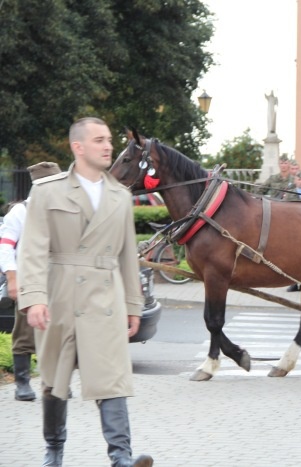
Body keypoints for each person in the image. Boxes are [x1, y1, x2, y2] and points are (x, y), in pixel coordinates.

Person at [18, 117, 153, 467]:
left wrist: (133, 305)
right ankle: (54, 450)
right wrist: (34, 298)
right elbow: (31, 249)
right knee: (54, 381)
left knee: (112, 379)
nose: (108, 146)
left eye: (108, 139)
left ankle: (121, 457)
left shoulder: (120, 197)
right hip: (59, 296)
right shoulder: (48, 191)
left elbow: (127, 256)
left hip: (104, 299)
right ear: (78, 147)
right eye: (99, 140)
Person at [1, 161, 62, 402]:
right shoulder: (21, 212)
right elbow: (5, 247)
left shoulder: (62, 211)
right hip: (27, 278)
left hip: (57, 278)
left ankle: (54, 381)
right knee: (25, 332)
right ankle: (22, 382)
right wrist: (12, 278)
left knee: (57, 331)